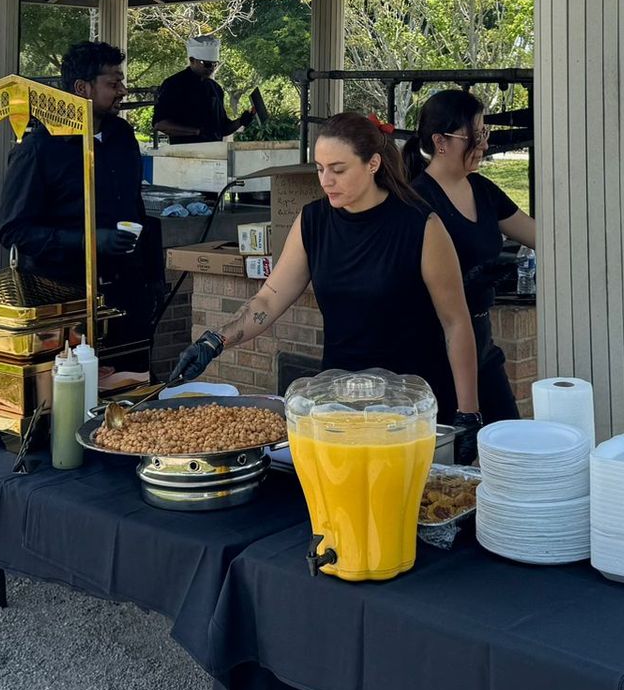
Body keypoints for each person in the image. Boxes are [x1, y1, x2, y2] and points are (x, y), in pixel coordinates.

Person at [170, 112, 483, 461]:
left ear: (373, 164)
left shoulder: (421, 226)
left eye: (338, 169)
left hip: (410, 406)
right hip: (338, 403)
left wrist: (468, 412)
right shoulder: (313, 221)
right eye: (320, 168)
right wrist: (215, 340)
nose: (326, 180)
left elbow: (456, 322)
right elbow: (269, 300)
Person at [0, 40, 161, 348]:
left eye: (121, 82)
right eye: (113, 83)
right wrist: (90, 240)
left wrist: (152, 277)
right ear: (82, 88)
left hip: (126, 293)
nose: (122, 91)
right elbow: (14, 230)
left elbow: (132, 203)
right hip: (62, 299)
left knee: (129, 380)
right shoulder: (39, 149)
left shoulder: (123, 137)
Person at [403, 90, 537, 422]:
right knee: (450, 461)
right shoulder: (416, 201)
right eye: (474, 136)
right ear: (441, 141)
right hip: (431, 348)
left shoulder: (483, 190)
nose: (484, 145)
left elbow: (543, 237)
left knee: (508, 441)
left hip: (482, 344)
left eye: (485, 134)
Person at [151, 35, 264, 142]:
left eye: (215, 64)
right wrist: (197, 132)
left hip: (214, 154)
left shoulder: (215, 88)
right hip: (184, 154)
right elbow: (160, 124)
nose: (212, 68)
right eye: (207, 64)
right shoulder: (174, 84)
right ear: (192, 60)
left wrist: (241, 121)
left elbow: (223, 129)